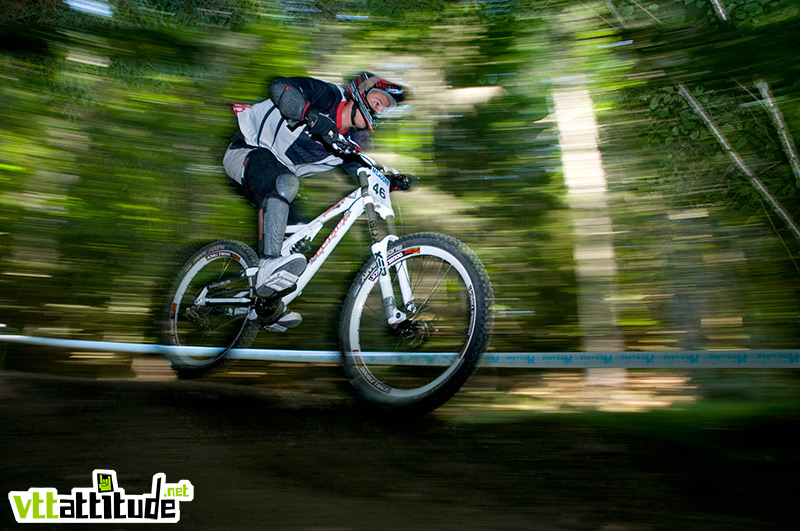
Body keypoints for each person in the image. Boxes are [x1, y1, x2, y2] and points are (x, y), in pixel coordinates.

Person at [222, 72, 409, 329]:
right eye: (379, 100)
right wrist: (311, 115)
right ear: (361, 92)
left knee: (300, 240)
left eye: (385, 108)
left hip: (278, 178)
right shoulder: (328, 97)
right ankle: (266, 265)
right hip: (247, 149)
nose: (381, 108)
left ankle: (264, 306)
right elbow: (280, 87)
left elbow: (362, 168)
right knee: (285, 183)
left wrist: (389, 179)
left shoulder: (352, 141)